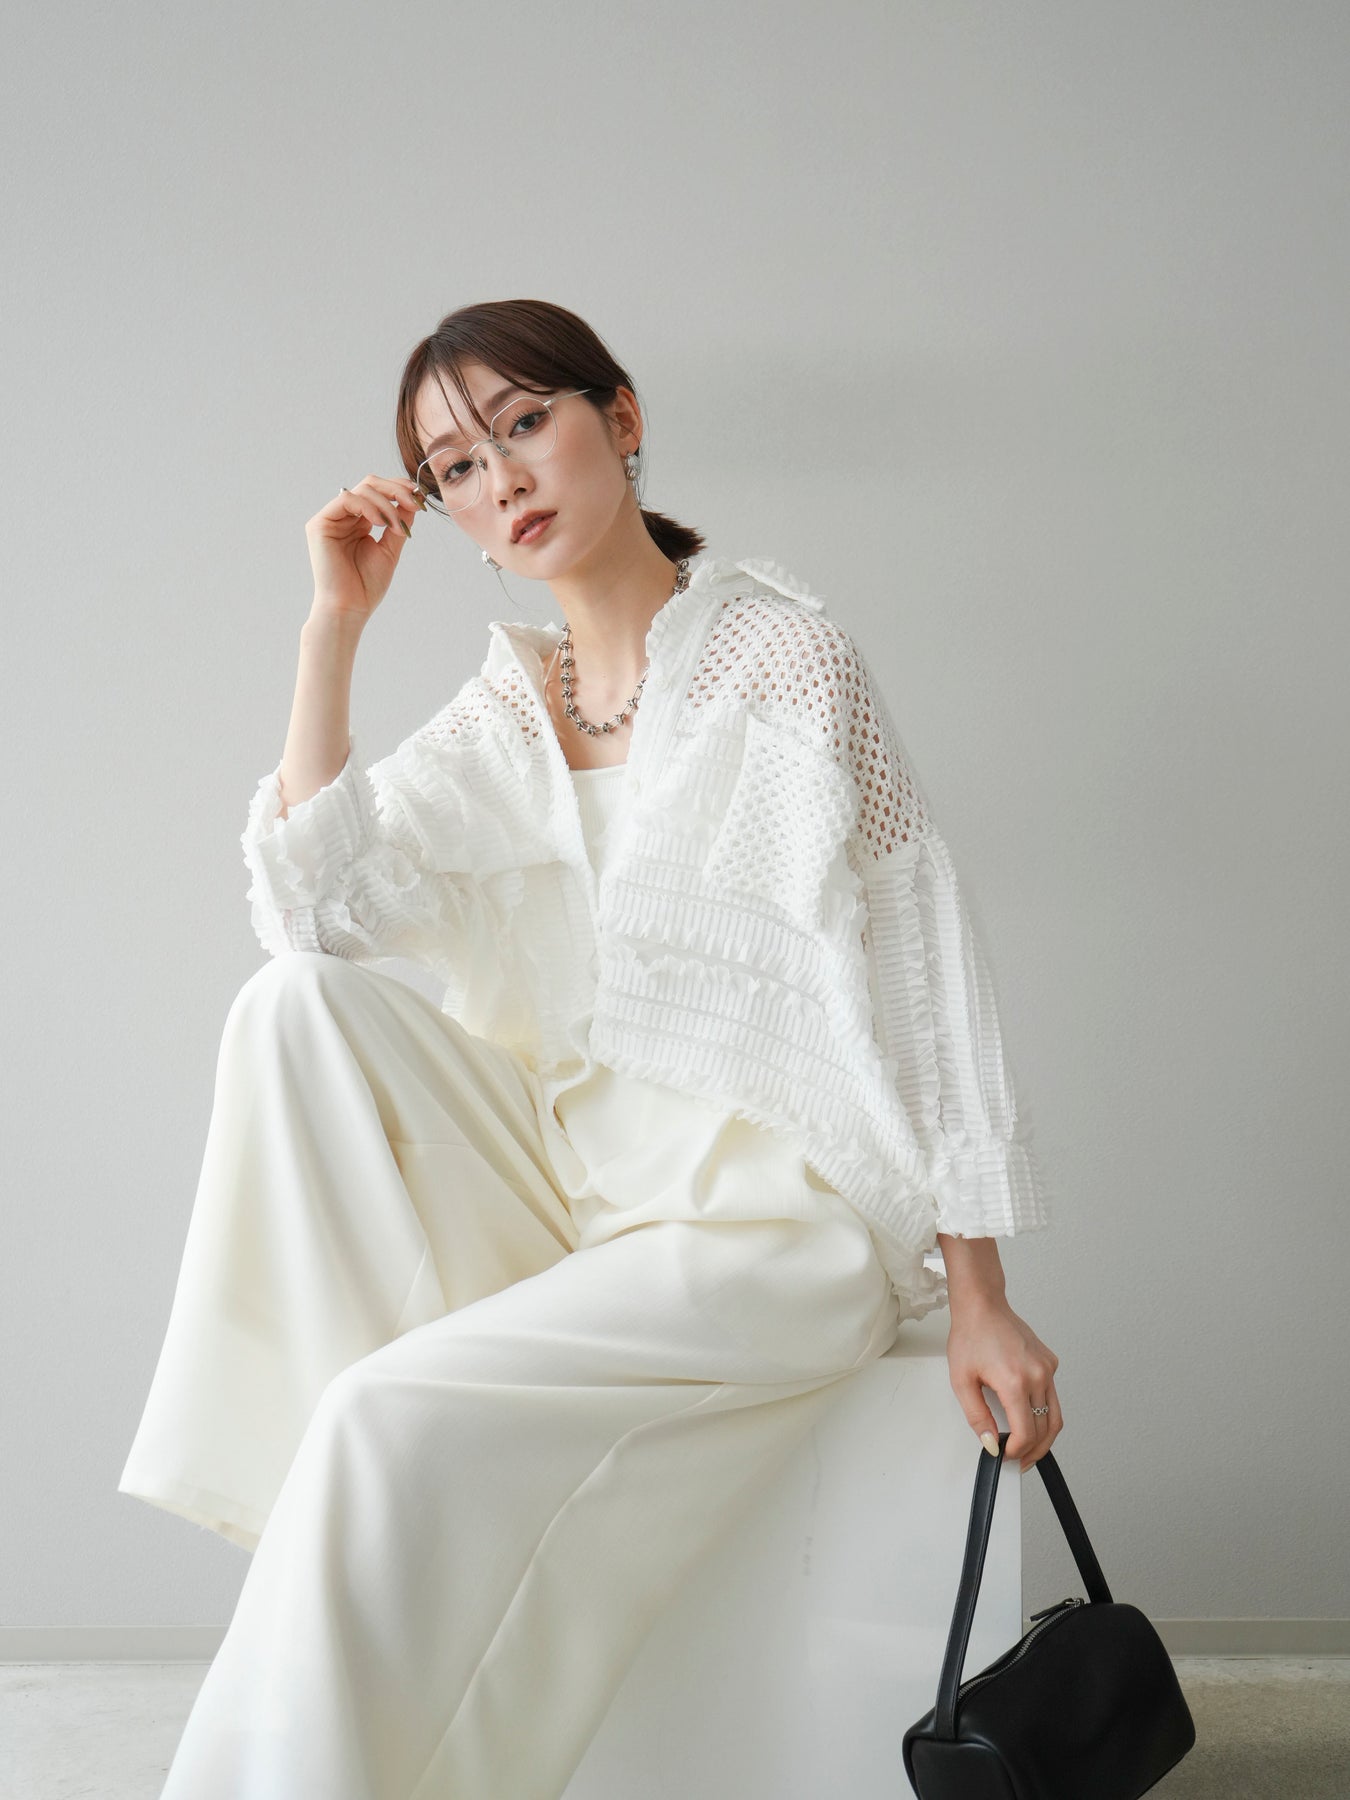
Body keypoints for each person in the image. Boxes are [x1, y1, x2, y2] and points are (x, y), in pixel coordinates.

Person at [119, 297, 1063, 1800]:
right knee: (290, 1008)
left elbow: (921, 969)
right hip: (578, 1197)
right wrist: (332, 629)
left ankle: (319, 1587)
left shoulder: (783, 660)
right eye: (454, 468)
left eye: (523, 423)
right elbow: (309, 913)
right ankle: (338, 1511)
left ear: (618, 420)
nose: (499, 478)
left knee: (374, 1418)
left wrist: (981, 1298)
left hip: (771, 1232)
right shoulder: (510, 712)